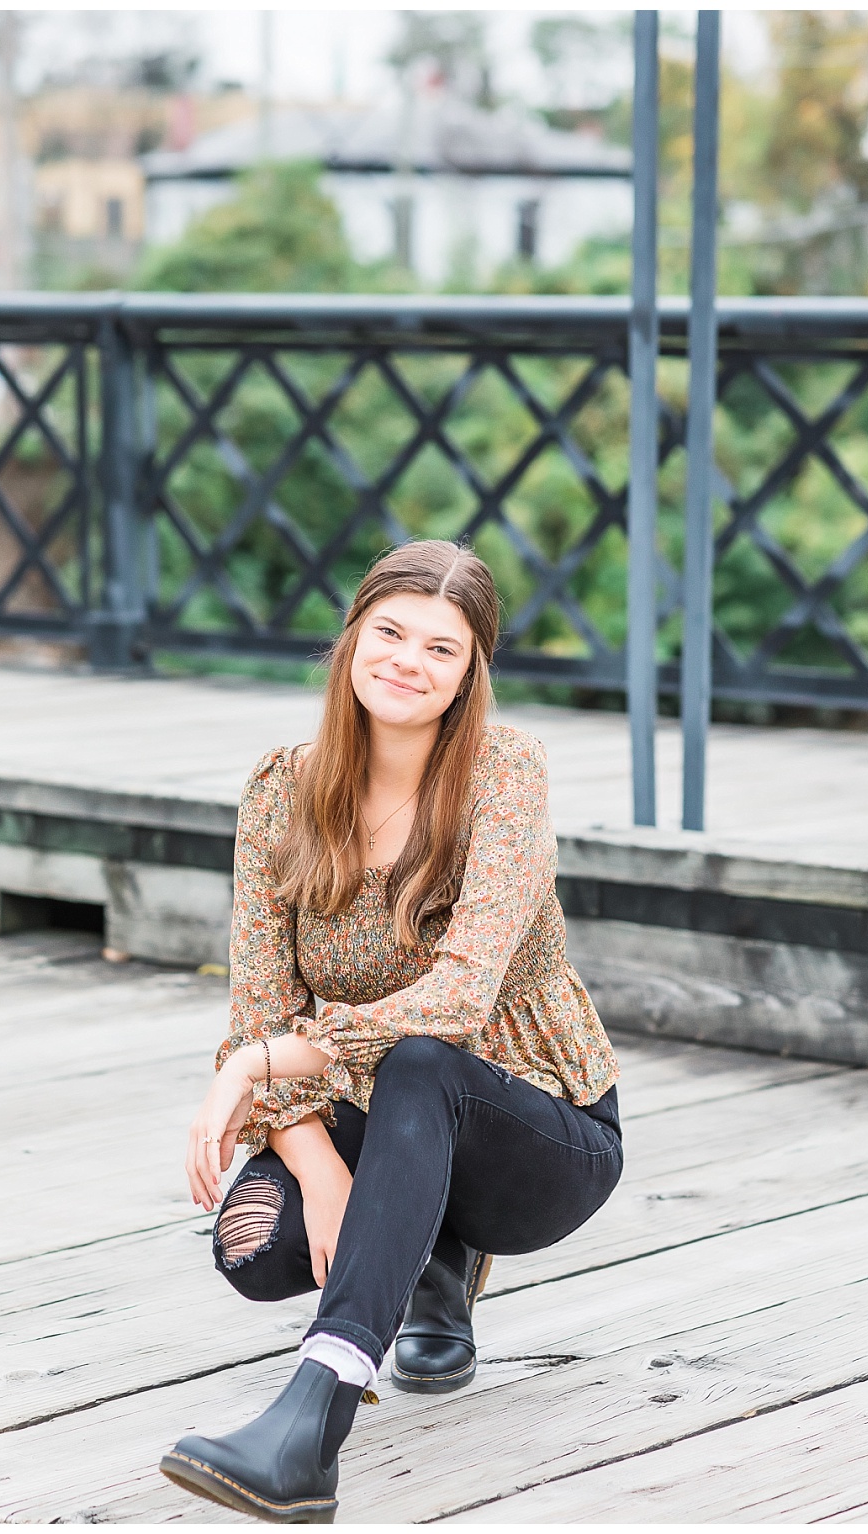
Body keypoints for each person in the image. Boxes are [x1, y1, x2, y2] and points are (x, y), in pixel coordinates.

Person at [159, 540, 623, 1523]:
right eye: (389, 633)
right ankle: (422, 1259)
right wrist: (318, 1167)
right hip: (371, 1114)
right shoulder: (279, 789)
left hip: (533, 1124)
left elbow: (455, 1001)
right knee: (253, 1244)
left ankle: (309, 1423)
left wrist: (263, 1063)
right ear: (350, 639)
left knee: (424, 1061)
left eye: (440, 649)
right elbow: (257, 1001)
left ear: (468, 674)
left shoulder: (504, 770)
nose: (407, 661)